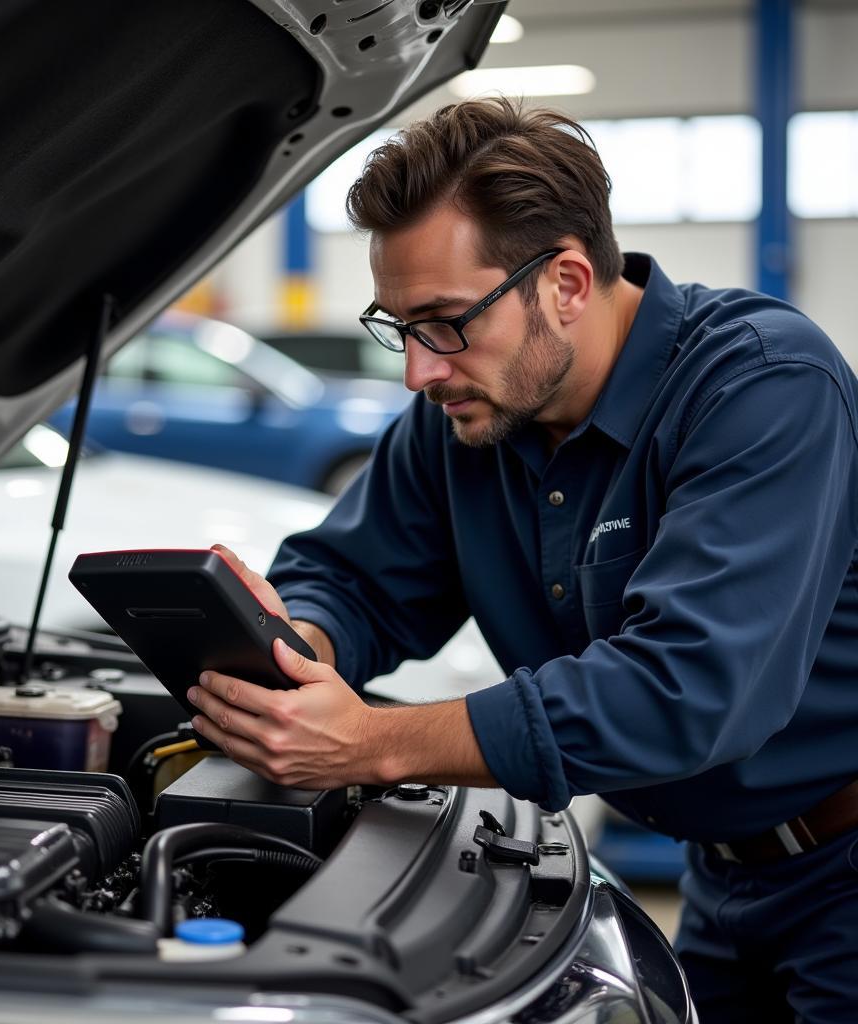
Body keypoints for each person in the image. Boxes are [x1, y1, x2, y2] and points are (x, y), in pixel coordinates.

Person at [184, 98, 858, 1021]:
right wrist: (297, 645)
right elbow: (352, 578)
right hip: (719, 872)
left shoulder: (763, 387)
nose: (419, 371)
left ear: (568, 284)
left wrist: (371, 743)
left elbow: (688, 688)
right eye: (400, 327)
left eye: (445, 322)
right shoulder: (466, 417)